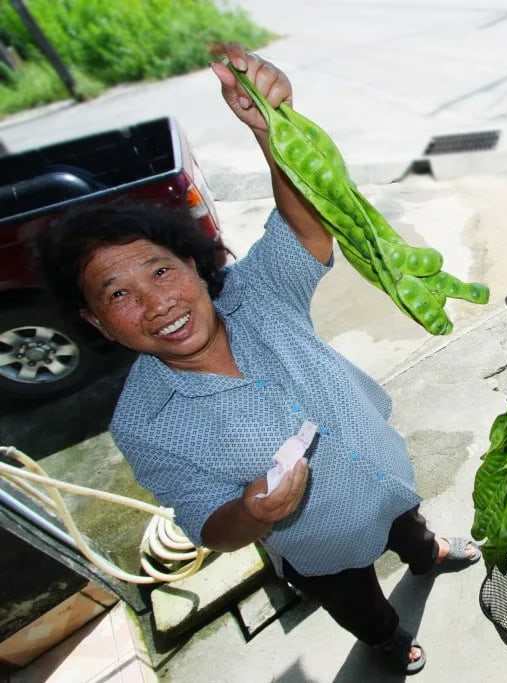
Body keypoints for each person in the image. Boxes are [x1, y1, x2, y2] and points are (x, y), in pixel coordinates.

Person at [34, 45, 478, 676]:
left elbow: (303, 229)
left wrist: (273, 129)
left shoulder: (256, 294)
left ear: (194, 262)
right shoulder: (144, 423)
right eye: (118, 295)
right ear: (95, 322)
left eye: (161, 270)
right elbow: (206, 524)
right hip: (319, 546)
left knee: (409, 525)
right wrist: (253, 513)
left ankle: (426, 552)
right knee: (354, 600)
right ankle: (385, 639)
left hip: (386, 472)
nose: (157, 303)